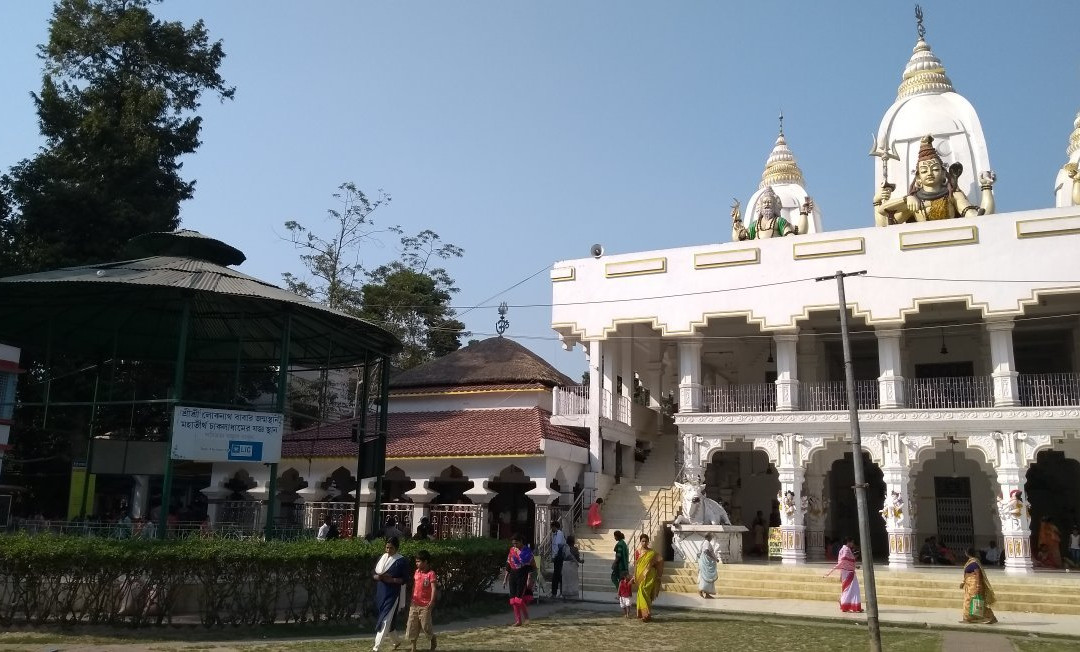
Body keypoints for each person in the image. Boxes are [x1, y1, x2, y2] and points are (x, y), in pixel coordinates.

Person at [875, 134, 996, 226]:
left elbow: (980, 218)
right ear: (918, 177)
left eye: (935, 169)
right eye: (923, 171)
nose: (929, 173)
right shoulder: (915, 201)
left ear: (944, 173)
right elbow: (885, 221)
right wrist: (880, 200)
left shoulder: (952, 195)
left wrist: (986, 187)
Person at [731, 186, 809, 241]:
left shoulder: (779, 221)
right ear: (760, 206)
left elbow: (794, 234)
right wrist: (736, 220)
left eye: (769, 202)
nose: (767, 204)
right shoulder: (755, 224)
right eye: (764, 202)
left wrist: (803, 213)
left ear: (775, 205)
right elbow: (739, 238)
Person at [372, 537, 409, 652]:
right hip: (381, 592)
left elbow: (405, 579)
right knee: (389, 622)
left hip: (392, 593)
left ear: (396, 548)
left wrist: (392, 580)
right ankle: (396, 641)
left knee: (385, 620)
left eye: (391, 548)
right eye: (387, 547)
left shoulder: (401, 561)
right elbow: (373, 573)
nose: (388, 550)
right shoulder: (381, 558)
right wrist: (377, 577)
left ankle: (376, 648)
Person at [405, 550, 438, 652]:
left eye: (419, 561)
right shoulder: (416, 572)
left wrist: (432, 601)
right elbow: (415, 586)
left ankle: (432, 638)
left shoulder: (431, 574)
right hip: (414, 603)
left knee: (425, 626)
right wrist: (412, 597)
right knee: (412, 625)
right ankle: (413, 647)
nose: (417, 563)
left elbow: (433, 588)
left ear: (426, 562)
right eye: (416, 561)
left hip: (425, 605)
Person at [825, 536, 863, 613]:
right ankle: (844, 603)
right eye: (852, 542)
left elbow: (846, 562)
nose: (852, 544)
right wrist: (832, 571)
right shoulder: (846, 550)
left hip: (848, 572)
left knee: (852, 589)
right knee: (849, 590)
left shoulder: (844, 549)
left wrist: (854, 566)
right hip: (848, 572)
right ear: (848, 542)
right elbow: (843, 561)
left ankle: (852, 606)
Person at [504, 534, 535, 626]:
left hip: (523, 576)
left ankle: (526, 618)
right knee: (513, 600)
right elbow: (508, 564)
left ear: (521, 541)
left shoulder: (527, 552)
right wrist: (505, 578)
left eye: (516, 543)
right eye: (513, 544)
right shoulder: (512, 551)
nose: (515, 545)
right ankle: (518, 620)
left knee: (519, 599)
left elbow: (532, 567)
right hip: (513, 575)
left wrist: (530, 578)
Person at [960, 547, 998, 624]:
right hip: (969, 585)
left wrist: (978, 586)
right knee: (969, 601)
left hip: (974, 585)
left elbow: (977, 574)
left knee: (975, 601)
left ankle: (990, 616)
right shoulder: (971, 561)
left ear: (966, 553)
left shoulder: (974, 562)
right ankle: (968, 618)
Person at [634, 533, 663, 622]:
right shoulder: (637, 552)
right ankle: (646, 614)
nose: (644, 543)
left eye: (646, 541)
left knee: (646, 593)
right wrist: (634, 575)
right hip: (640, 575)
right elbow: (636, 564)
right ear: (640, 542)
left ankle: (646, 614)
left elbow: (660, 561)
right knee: (641, 592)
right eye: (642, 541)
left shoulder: (652, 552)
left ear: (648, 542)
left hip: (650, 575)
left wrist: (658, 574)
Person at [697, 533, 719, 599]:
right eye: (711, 537)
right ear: (709, 537)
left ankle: (707, 593)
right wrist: (714, 558)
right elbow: (706, 551)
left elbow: (699, 553)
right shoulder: (706, 543)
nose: (712, 538)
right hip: (706, 563)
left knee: (706, 577)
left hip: (705, 562)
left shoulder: (704, 542)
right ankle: (702, 590)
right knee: (707, 577)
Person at [549, 522, 567, 598]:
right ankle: (562, 591)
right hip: (557, 556)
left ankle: (554, 592)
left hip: (558, 556)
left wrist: (554, 556)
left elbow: (558, 545)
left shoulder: (559, 534)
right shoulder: (555, 534)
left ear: (555, 527)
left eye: (552, 527)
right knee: (558, 575)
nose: (551, 529)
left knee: (556, 575)